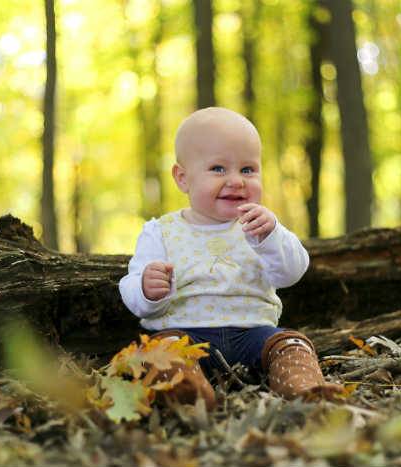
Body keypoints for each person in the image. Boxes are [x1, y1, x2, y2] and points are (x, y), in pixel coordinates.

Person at [119, 107, 343, 410]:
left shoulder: (260, 226)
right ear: (183, 178)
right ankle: (188, 394)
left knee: (291, 343)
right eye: (219, 169)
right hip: (185, 337)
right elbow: (132, 289)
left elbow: (292, 272)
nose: (237, 181)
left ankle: (306, 391)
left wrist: (272, 237)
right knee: (162, 351)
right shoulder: (161, 231)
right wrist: (147, 288)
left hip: (254, 335)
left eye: (248, 170)